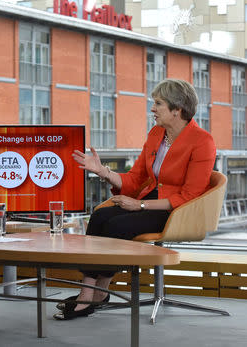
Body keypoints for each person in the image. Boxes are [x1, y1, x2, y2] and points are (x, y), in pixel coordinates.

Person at [53, 78, 216, 320]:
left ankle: (90, 297)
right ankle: (92, 293)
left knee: (117, 225)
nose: (153, 109)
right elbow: (135, 178)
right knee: (99, 216)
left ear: (177, 110)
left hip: (177, 211)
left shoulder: (203, 141)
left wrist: (138, 204)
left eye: (158, 104)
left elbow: (190, 195)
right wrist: (102, 171)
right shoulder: (156, 133)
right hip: (150, 200)